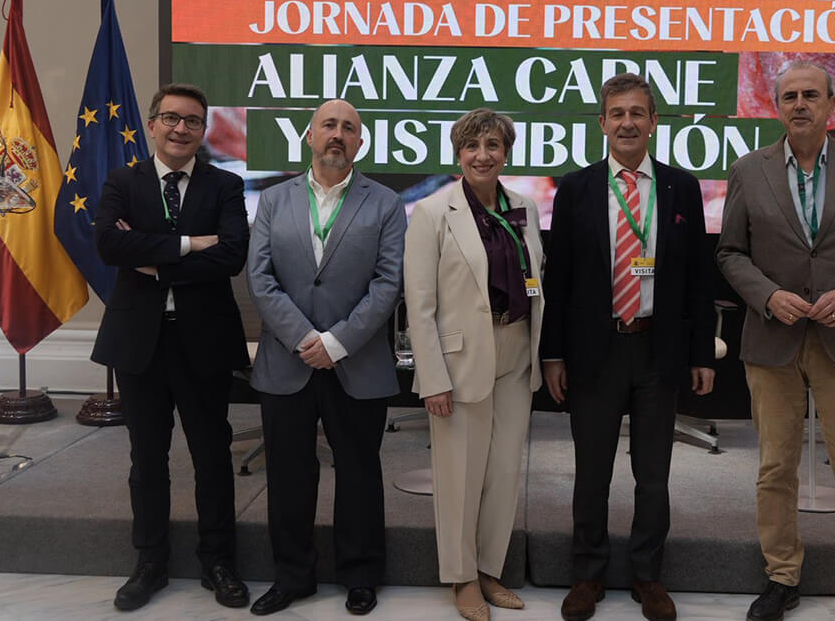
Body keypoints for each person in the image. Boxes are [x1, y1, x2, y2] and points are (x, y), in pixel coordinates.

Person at [716, 60, 835, 621]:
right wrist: (768, 295)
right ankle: (781, 578)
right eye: (790, 96)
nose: (800, 104)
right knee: (775, 467)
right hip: (772, 339)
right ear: (777, 107)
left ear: (832, 104)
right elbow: (729, 252)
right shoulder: (749, 171)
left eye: (811, 95)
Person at [540, 73, 716, 621]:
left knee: (654, 474)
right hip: (595, 352)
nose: (627, 123)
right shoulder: (576, 188)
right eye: (617, 114)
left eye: (638, 113)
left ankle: (647, 575)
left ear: (653, 122)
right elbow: (559, 278)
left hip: (657, 352)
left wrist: (701, 353)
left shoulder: (681, 187)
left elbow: (697, 278)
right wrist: (553, 354)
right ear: (602, 124)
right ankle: (588, 575)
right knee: (592, 473)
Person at [92, 83, 250, 612]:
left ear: (203, 131)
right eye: (171, 118)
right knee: (147, 459)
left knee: (212, 457)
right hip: (141, 343)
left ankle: (219, 562)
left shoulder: (225, 186)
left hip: (203, 341)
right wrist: (187, 244)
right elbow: (110, 244)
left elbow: (230, 257)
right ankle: (150, 562)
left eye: (193, 121)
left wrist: (154, 258)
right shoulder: (123, 181)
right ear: (154, 124)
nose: (181, 128)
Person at [246, 98, 405, 616]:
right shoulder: (272, 200)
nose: (338, 134)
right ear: (309, 136)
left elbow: (388, 283)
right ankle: (293, 576)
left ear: (361, 143)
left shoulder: (384, 203)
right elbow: (260, 278)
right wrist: (303, 339)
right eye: (329, 125)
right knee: (289, 475)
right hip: (287, 360)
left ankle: (360, 575)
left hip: (355, 361)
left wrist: (335, 342)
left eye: (350, 128)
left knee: (359, 472)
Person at [404, 109, 545, 621]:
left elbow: (536, 280)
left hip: (516, 349)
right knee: (460, 474)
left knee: (505, 471)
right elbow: (419, 305)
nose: (482, 154)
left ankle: (489, 568)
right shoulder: (432, 212)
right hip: (461, 356)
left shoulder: (524, 205)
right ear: (457, 154)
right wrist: (432, 378)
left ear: (506, 152)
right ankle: (462, 577)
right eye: (471, 146)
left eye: (492, 144)